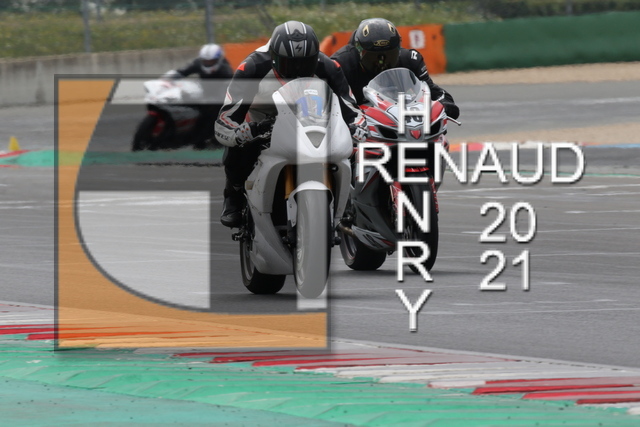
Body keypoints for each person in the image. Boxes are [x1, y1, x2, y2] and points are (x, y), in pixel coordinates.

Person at [215, 20, 368, 228]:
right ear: (274, 57)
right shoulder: (252, 67)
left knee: (352, 148)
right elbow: (226, 117)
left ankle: (350, 200)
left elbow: (350, 106)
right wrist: (239, 132)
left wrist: (357, 125)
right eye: (290, 64)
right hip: (263, 121)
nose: (297, 70)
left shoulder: (328, 66)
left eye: (305, 64)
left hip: (312, 120)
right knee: (239, 149)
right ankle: (233, 195)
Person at [331, 18, 460, 120]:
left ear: (398, 50)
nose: (382, 62)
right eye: (374, 57)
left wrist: (445, 104)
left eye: (389, 55)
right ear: (359, 52)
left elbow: (433, 91)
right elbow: (327, 103)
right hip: (357, 122)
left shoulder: (410, 59)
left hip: (401, 122)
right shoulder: (341, 64)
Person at [163, 44, 234, 148]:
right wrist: (167, 79)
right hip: (202, 93)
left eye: (211, 61)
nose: (208, 63)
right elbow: (182, 71)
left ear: (218, 59)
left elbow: (229, 90)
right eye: (205, 61)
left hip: (218, 97)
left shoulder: (225, 70)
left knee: (211, 114)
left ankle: (206, 138)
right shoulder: (198, 63)